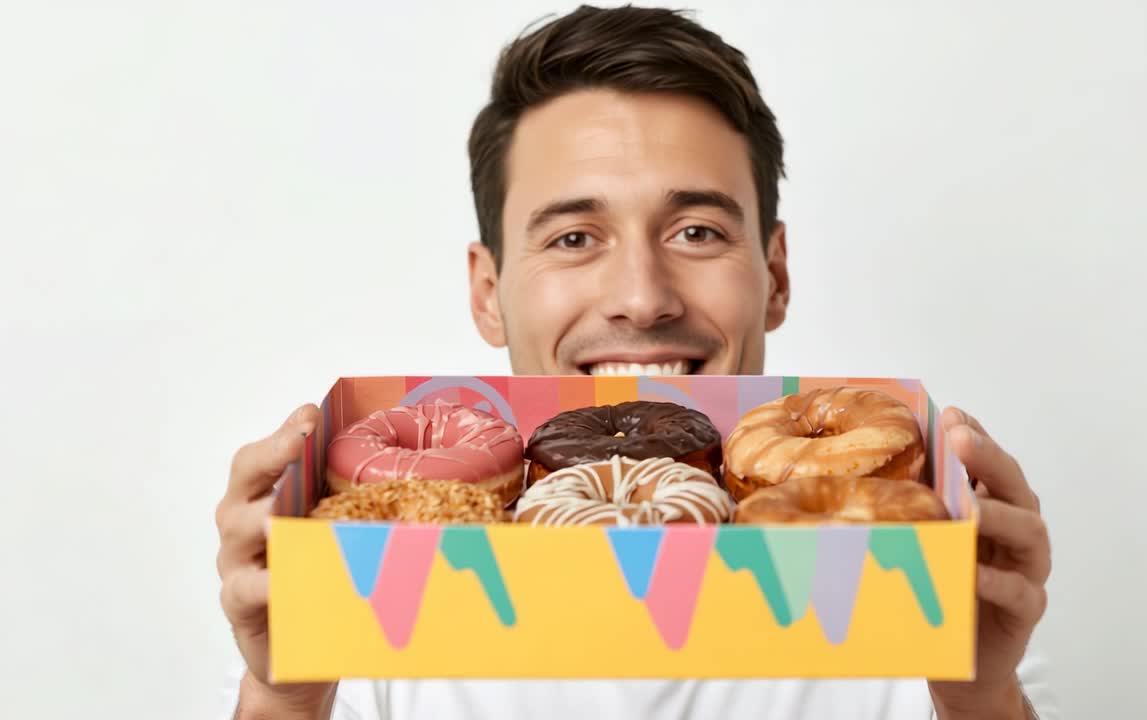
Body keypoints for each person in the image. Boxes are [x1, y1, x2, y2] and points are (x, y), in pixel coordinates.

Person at [216, 6, 1056, 719]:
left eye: (697, 232)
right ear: (487, 290)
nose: (641, 296)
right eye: (574, 238)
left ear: (776, 276)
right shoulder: (365, 613)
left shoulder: (919, 606)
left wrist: (982, 702)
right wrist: (283, 701)